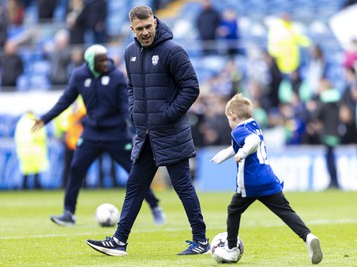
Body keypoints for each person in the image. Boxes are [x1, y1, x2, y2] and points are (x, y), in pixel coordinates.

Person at [86, 6, 209, 256]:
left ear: (155, 22)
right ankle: (120, 241)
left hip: (171, 132)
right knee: (135, 186)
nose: (145, 32)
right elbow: (132, 87)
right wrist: (134, 113)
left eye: (148, 26)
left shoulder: (173, 51)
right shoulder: (130, 52)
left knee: (183, 187)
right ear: (132, 29)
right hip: (146, 135)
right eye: (139, 29)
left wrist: (168, 114)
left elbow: (191, 87)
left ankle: (201, 240)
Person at [31, 44, 165, 226]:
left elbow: (125, 107)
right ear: (89, 62)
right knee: (76, 168)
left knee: (135, 172)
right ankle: (68, 213)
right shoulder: (79, 76)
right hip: (91, 133)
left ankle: (154, 206)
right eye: (100, 60)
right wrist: (45, 119)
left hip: (116, 133)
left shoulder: (116, 76)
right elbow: (65, 100)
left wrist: (139, 126)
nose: (105, 63)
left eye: (105, 58)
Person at [210, 94, 323, 264]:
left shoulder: (238, 130)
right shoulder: (254, 125)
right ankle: (308, 236)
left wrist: (242, 153)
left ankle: (231, 248)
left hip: (250, 182)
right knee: (286, 212)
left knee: (233, 210)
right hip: (268, 179)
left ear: (232, 115)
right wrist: (223, 155)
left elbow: (252, 141)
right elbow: (242, 144)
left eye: (228, 118)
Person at [15, 110, 49, 189]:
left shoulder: (21, 122)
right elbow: (42, 136)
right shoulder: (36, 121)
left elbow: (17, 137)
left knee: (25, 170)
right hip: (36, 150)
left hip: (24, 150)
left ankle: (23, 187)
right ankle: (36, 186)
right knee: (36, 170)